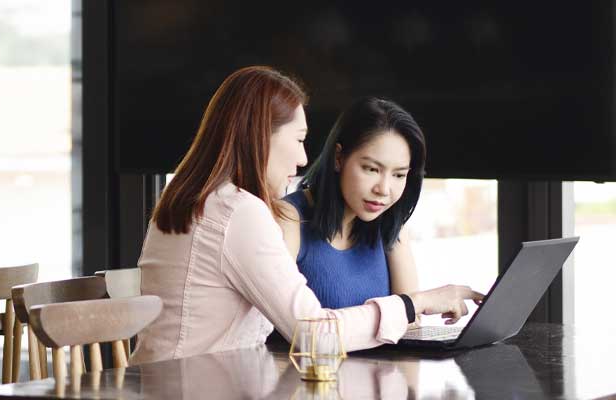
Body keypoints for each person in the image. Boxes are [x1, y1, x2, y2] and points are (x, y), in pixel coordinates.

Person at [132, 66, 483, 365]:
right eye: (299, 139)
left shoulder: (191, 198)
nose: (303, 159)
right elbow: (314, 332)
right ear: (261, 137)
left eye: (399, 174)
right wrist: (416, 303)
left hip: (171, 380)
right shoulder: (240, 213)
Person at [276, 97, 424, 310]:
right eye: (371, 169)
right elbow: (296, 326)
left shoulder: (391, 226)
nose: (383, 189)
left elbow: (412, 319)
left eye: (399, 175)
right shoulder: (289, 218)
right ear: (338, 158)